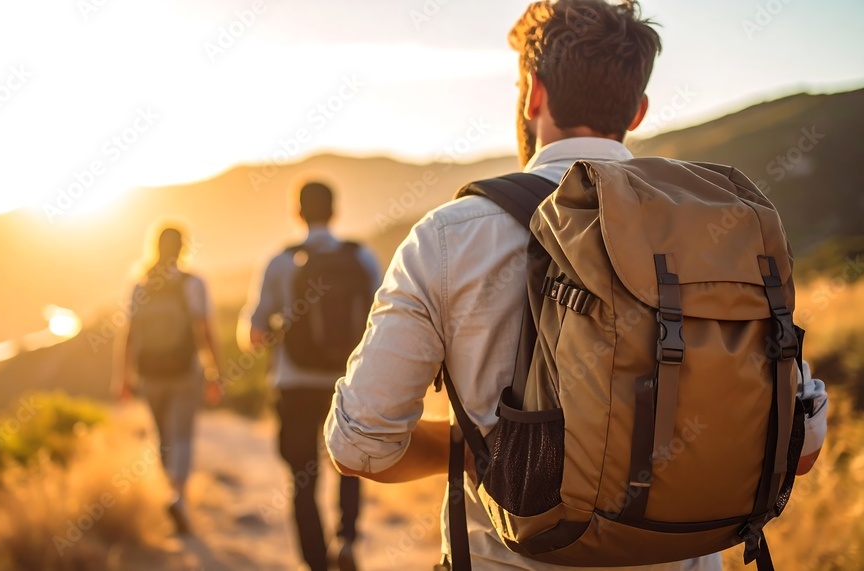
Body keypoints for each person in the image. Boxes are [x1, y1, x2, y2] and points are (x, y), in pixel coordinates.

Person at [324, 1, 829, 570]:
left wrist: (481, 452)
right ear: (637, 111)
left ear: (532, 94)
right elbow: (802, 446)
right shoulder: (717, 227)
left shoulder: (449, 236)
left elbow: (360, 444)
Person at [239, 181, 382, 571]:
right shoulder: (361, 258)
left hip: (294, 382)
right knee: (349, 464)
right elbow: (385, 318)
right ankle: (347, 538)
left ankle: (316, 562)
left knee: (303, 476)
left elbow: (253, 332)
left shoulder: (281, 262)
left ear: (297, 213)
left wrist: (271, 332)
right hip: (346, 382)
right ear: (334, 212)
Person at [113, 225, 223, 535]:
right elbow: (205, 331)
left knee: (163, 436)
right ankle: (178, 496)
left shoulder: (141, 285)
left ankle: (171, 489)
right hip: (185, 370)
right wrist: (217, 373)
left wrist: (122, 378)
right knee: (183, 436)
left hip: (150, 373)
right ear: (183, 248)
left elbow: (129, 337)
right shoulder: (192, 283)